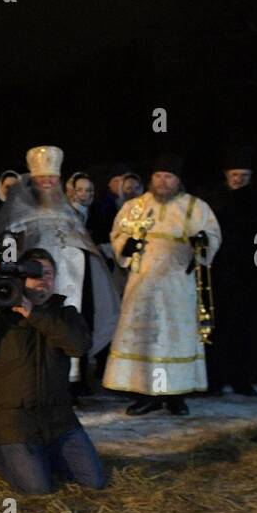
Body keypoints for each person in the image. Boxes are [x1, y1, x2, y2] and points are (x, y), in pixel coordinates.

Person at [0, 146, 121, 400]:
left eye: (52, 179)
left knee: (58, 330)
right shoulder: (17, 212)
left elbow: (83, 248)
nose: (47, 183)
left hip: (64, 287)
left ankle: (64, 386)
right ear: (32, 181)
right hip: (24, 288)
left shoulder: (68, 213)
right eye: (41, 179)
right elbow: (4, 249)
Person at [0, 248, 107, 494]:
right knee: (37, 490)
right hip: (15, 419)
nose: (42, 280)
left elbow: (78, 346)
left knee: (94, 481)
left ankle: (42, 455)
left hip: (58, 418)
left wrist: (33, 313)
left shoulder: (66, 314)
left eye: (48, 274)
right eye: (34, 274)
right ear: (20, 278)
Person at [103, 154, 221, 415]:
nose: (162, 181)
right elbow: (118, 233)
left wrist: (202, 242)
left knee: (175, 338)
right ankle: (148, 394)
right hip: (142, 285)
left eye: (168, 177)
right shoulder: (135, 206)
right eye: (158, 176)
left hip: (177, 285)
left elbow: (212, 236)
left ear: (178, 181)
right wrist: (125, 245)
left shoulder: (195, 207)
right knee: (145, 338)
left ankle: (175, 394)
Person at [204, 146, 257, 395]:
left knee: (244, 331)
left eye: (243, 175)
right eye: (234, 175)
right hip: (218, 276)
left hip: (248, 277)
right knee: (216, 330)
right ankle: (215, 379)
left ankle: (240, 379)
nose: (238, 179)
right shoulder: (213, 200)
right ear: (226, 175)